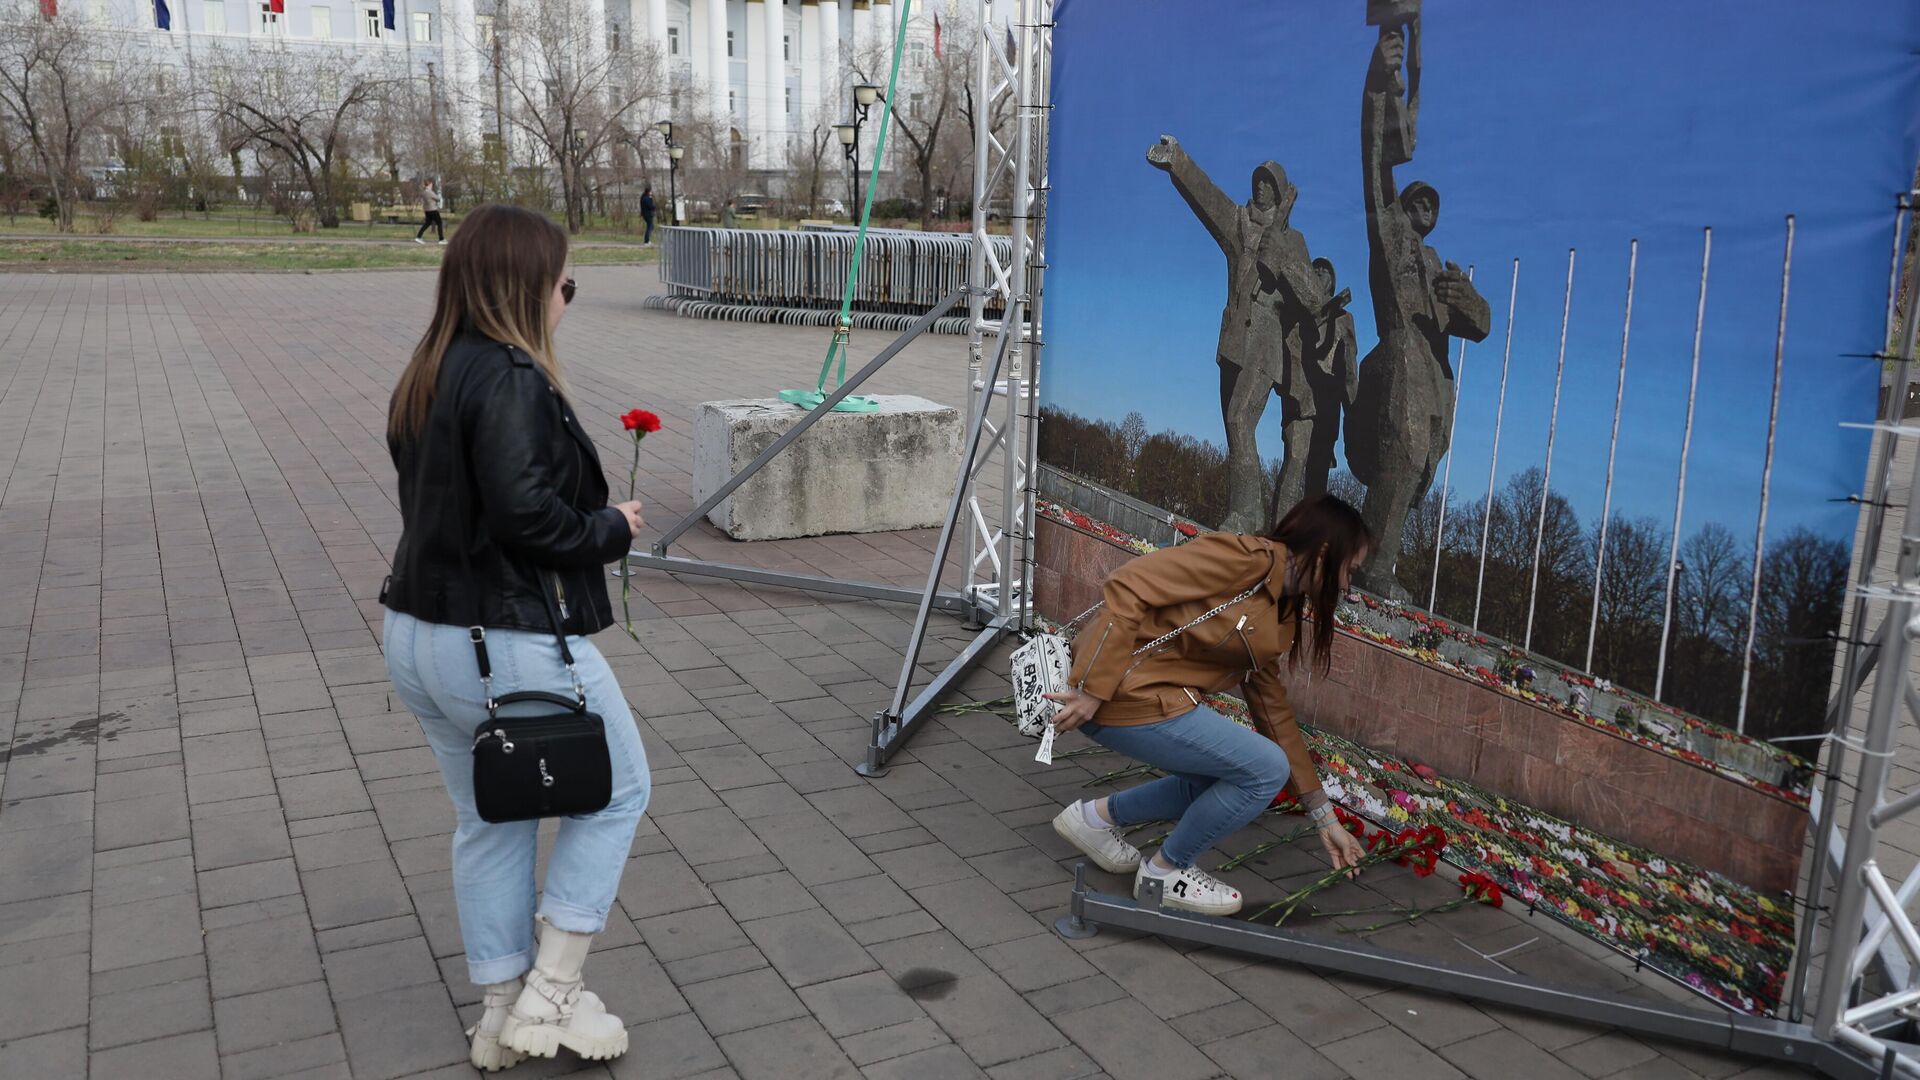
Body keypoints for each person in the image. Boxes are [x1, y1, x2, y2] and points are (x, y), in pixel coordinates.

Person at [381, 204, 650, 1070]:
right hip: (503, 640)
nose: (567, 300)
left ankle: (502, 1009)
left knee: (489, 818)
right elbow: (526, 516)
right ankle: (551, 995)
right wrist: (610, 527)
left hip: (419, 631)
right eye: (563, 283)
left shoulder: (431, 368)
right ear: (526, 286)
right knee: (617, 791)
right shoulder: (507, 374)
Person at [1045, 495, 1373, 916]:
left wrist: (1324, 818)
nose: (1347, 585)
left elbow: (1271, 706)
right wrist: (1093, 686)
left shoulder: (1283, 608)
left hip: (1154, 698)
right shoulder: (1245, 559)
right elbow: (1130, 584)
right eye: (1350, 569)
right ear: (1326, 553)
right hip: (1118, 694)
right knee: (1264, 769)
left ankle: (1094, 821)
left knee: (1233, 774)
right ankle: (1165, 873)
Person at [415, 179, 446, 245]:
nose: (432, 186)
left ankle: (418, 237)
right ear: (429, 185)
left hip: (427, 210)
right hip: (433, 210)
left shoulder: (423, 192)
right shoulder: (430, 192)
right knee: (439, 223)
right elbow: (438, 199)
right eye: (431, 185)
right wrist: (439, 195)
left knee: (427, 223)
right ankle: (441, 239)